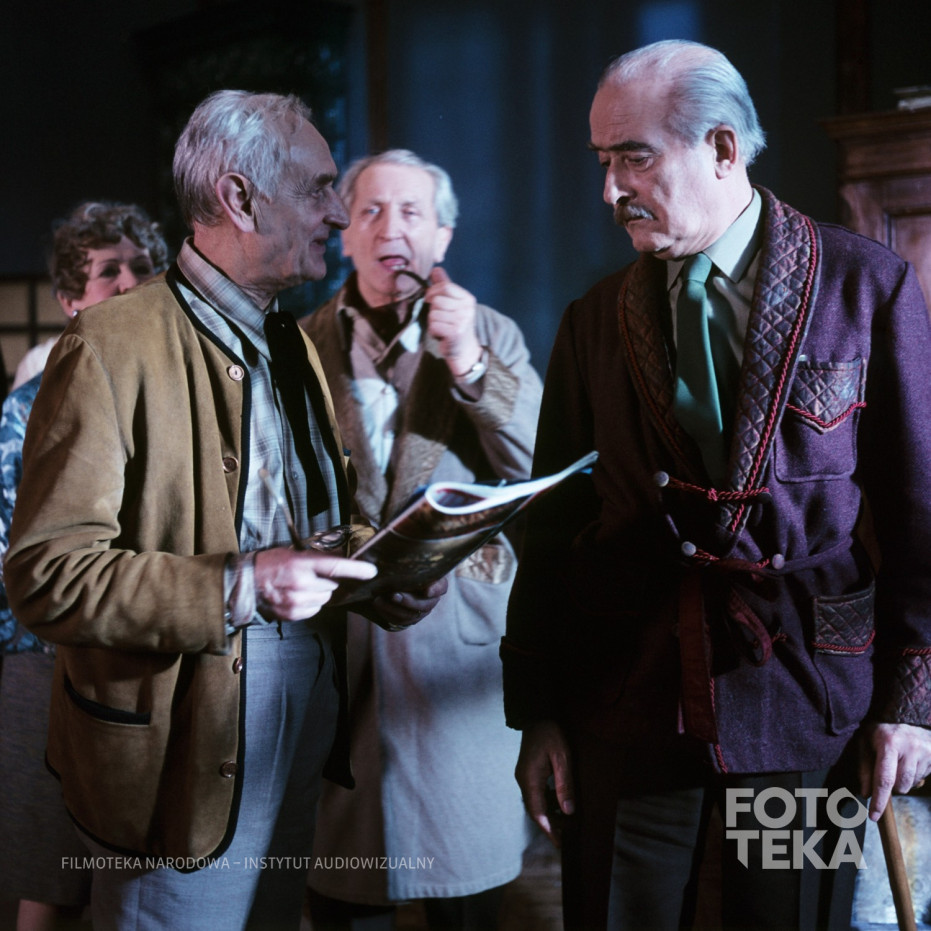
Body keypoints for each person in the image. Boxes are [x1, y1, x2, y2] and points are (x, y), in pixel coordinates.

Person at [501, 39, 931, 931]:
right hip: (627, 702)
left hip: (803, 703)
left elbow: (919, 511)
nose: (610, 189)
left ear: (723, 148)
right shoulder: (593, 321)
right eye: (602, 161)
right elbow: (551, 529)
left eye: (634, 157)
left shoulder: (864, 286)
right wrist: (538, 711)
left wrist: (912, 701)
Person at [4, 90, 444, 931]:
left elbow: (302, 527)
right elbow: (45, 576)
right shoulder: (107, 345)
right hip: (174, 756)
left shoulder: (291, 341)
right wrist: (240, 584)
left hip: (299, 731)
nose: (336, 212)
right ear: (239, 196)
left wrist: (389, 566)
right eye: (318, 188)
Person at [301, 149, 540, 929]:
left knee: (463, 893)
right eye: (369, 211)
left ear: (443, 236)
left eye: (411, 213)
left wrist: (467, 362)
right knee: (343, 891)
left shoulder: (490, 332)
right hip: (339, 656)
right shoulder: (297, 346)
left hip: (454, 658)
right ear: (342, 234)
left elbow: (536, 460)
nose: (389, 229)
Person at [0, 200, 168, 931]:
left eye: (142, 266)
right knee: (49, 868)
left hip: (146, 655)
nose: (129, 281)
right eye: (108, 271)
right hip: (47, 658)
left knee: (134, 875)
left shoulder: (170, 389)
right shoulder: (30, 404)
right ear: (71, 298)